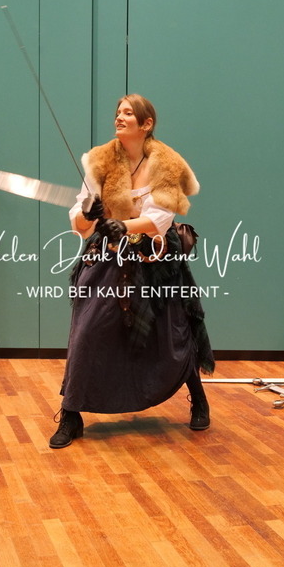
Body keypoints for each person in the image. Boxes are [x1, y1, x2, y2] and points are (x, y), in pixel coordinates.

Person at [49, 94, 214, 448]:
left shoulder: (167, 163)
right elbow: (80, 223)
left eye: (128, 113)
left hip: (156, 259)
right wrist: (89, 215)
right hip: (109, 257)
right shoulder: (101, 161)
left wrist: (123, 225)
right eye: (118, 112)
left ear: (146, 123)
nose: (119, 118)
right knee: (86, 331)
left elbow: (160, 218)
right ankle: (71, 415)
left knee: (173, 333)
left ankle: (199, 400)